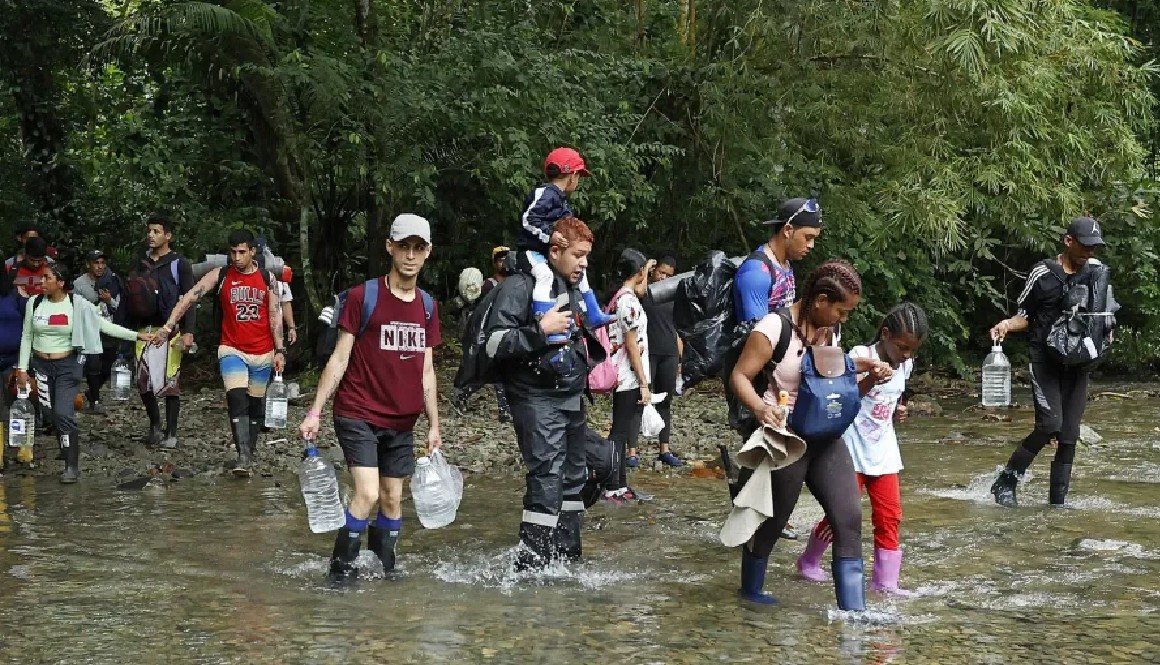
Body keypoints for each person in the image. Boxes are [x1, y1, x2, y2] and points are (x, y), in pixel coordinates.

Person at [729, 260, 892, 609]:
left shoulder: (830, 333)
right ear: (820, 300)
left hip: (826, 439)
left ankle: (854, 613)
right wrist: (761, 409)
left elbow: (836, 390)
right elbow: (739, 376)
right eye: (841, 311)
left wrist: (869, 378)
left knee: (848, 519)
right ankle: (751, 594)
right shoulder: (774, 328)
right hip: (786, 438)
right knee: (773, 523)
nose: (844, 319)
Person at [299, 214, 442, 584]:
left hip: (401, 421)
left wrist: (434, 425)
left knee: (392, 499)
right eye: (404, 247)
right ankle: (340, 574)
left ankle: (383, 572)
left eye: (418, 248)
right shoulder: (365, 297)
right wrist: (315, 411)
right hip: (358, 411)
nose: (411, 256)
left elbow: (427, 371)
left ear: (428, 253)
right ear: (390, 247)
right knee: (367, 494)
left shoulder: (427, 306)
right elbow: (340, 358)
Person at [485, 216, 607, 570]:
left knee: (574, 478)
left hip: (570, 397)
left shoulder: (572, 286)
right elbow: (493, 343)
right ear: (554, 251)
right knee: (546, 479)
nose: (584, 264)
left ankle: (567, 563)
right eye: (578, 255)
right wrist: (539, 331)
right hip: (534, 399)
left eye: (587, 256)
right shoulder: (519, 287)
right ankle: (531, 570)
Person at [796, 303, 929, 595]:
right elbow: (844, 395)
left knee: (890, 515)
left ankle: (885, 581)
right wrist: (871, 378)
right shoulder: (860, 356)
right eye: (902, 347)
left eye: (912, 350)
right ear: (884, 334)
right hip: (852, 451)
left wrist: (900, 409)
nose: (906, 355)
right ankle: (809, 560)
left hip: (884, 454)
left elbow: (895, 394)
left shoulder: (905, 364)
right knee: (842, 516)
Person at [988, 217, 1112, 508]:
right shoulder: (1042, 273)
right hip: (1045, 362)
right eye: (1084, 246)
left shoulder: (1097, 274)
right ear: (1068, 241)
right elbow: (1025, 315)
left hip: (1079, 364)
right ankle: (1006, 480)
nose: (1089, 253)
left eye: (1094, 248)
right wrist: (1006, 324)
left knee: (1069, 436)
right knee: (1049, 425)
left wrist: (1107, 332)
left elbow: (1105, 315)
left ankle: (1057, 503)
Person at [157, 229, 284, 475]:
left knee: (255, 405)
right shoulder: (221, 275)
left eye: (242, 252)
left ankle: (250, 451)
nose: (237, 257)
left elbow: (274, 316)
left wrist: (280, 350)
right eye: (233, 252)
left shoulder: (268, 278)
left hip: (263, 350)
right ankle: (243, 456)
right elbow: (189, 297)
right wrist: (169, 325)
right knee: (236, 399)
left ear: (252, 252)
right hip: (231, 348)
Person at [14, 264, 153, 483]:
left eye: (46, 278)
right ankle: (65, 447)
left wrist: (136, 336)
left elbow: (104, 326)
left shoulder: (76, 305)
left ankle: (71, 466)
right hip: (41, 365)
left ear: (60, 283)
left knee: (63, 413)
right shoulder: (35, 303)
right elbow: (27, 337)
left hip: (67, 365)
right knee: (50, 412)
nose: (41, 282)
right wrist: (21, 368)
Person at [518, 147, 614, 342]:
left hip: (548, 253)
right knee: (544, 276)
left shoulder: (562, 202)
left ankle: (593, 312)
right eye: (578, 176)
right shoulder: (546, 193)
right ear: (571, 176)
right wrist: (550, 235)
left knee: (582, 271)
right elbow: (528, 220)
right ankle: (545, 323)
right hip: (531, 251)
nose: (577, 182)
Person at [126, 213, 197, 449]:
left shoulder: (180, 264)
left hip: (171, 331)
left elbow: (190, 299)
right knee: (143, 380)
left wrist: (189, 331)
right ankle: (155, 425)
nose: (151, 235)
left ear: (168, 235)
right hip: (144, 329)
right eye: (149, 231)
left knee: (171, 382)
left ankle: (172, 432)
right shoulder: (141, 263)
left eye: (156, 231)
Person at [603, 250, 657, 506]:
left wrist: (645, 270)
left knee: (623, 432)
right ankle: (613, 486)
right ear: (637, 273)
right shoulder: (629, 303)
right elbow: (632, 345)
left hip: (625, 375)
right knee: (620, 432)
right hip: (628, 376)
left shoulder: (620, 298)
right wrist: (644, 383)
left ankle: (620, 483)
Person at [732, 198, 823, 322]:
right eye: (808, 238)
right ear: (787, 230)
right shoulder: (757, 273)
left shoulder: (784, 264)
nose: (811, 245)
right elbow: (757, 335)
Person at [452, 246, 512, 422]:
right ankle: (501, 409)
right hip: (487, 335)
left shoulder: (513, 284)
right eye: (500, 259)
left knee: (496, 371)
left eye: (506, 259)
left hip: (504, 333)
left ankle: (503, 409)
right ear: (494, 263)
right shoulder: (487, 285)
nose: (503, 263)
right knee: (489, 371)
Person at [641, 255, 684, 468]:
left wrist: (680, 361)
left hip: (669, 352)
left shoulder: (672, 297)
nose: (663, 277)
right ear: (654, 270)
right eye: (661, 272)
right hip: (646, 352)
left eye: (668, 275)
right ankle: (631, 452)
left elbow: (678, 330)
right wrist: (647, 269)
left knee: (665, 401)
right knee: (640, 399)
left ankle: (664, 449)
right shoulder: (643, 291)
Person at [72, 250, 124, 415]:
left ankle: (92, 391)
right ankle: (94, 400)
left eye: (102, 263)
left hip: (108, 327)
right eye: (96, 263)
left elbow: (120, 306)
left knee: (108, 365)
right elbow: (74, 306)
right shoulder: (79, 284)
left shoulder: (112, 280)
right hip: (88, 329)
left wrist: (109, 301)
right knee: (93, 365)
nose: (100, 266)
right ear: (88, 265)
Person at [0, 267, 28, 472]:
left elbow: (29, 323)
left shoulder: (15, 294)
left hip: (14, 359)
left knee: (19, 404)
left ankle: (24, 451)